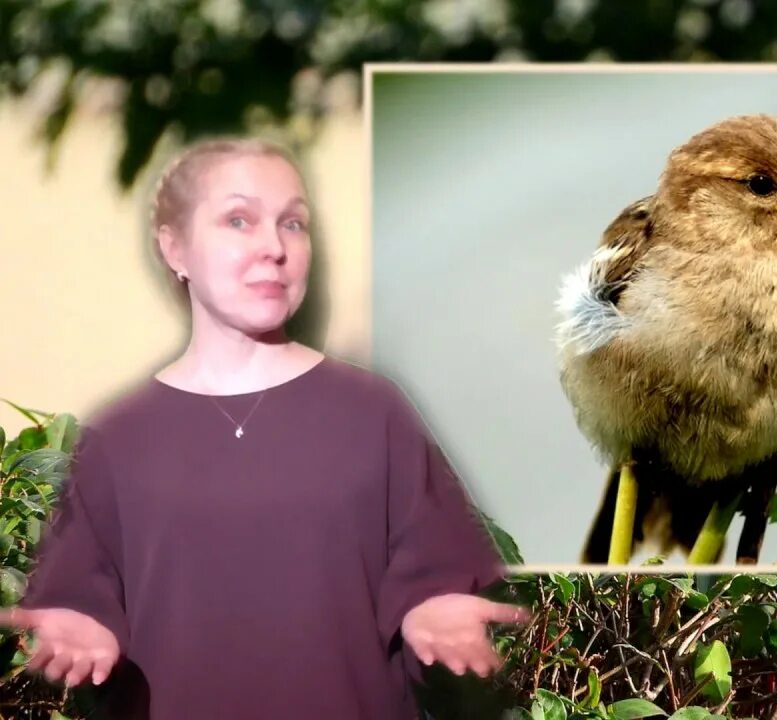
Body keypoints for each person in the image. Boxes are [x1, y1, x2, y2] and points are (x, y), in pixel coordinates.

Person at [0, 138, 528, 718]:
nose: (274, 248)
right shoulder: (122, 438)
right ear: (174, 247)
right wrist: (82, 625)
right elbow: (80, 587)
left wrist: (433, 609)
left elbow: (439, 564)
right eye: (238, 220)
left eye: (293, 223)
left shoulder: (373, 413)